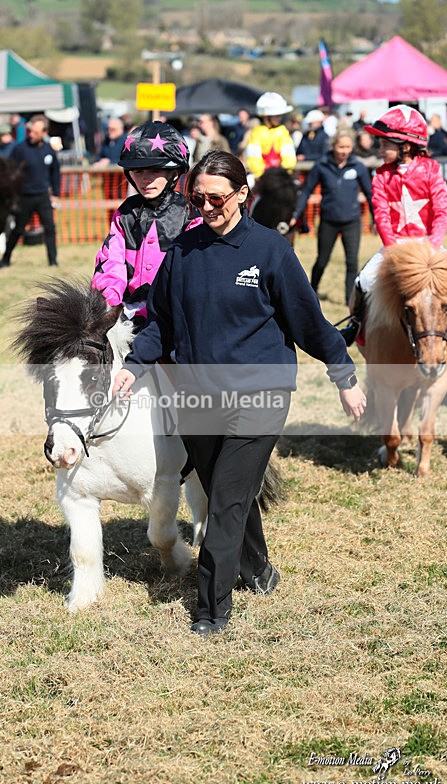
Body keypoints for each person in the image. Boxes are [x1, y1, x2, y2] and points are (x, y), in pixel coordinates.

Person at [111, 151, 366, 636]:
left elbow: (308, 322)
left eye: (217, 198)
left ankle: (211, 609)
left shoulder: (270, 251)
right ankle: (259, 569)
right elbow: (160, 322)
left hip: (259, 394)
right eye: (197, 198)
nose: (206, 207)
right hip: (196, 397)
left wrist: (344, 376)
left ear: (243, 195)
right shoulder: (182, 252)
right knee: (231, 493)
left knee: (225, 501)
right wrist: (135, 365)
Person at [340, 105, 447, 345]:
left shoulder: (431, 170)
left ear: (406, 146)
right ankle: (357, 325)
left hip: (428, 244)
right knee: (364, 280)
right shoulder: (380, 175)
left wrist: (432, 246)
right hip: (395, 246)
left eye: (384, 145)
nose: (379, 150)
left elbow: (442, 212)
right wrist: (392, 248)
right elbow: (381, 215)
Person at [91, 120, 195, 330]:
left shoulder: (190, 214)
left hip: (174, 315)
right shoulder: (125, 213)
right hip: (126, 315)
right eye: (138, 172)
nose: (145, 180)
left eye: (154, 171)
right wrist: (109, 305)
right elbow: (112, 262)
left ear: (174, 173)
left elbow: (192, 272)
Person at [290, 128, 374, 304]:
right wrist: (296, 214)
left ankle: (348, 300)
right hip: (329, 221)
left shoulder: (358, 167)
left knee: (352, 262)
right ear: (333, 146)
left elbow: (369, 194)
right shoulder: (322, 165)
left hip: (351, 221)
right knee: (322, 260)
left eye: (348, 147)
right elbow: (306, 192)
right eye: (341, 146)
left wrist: (377, 219)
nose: (344, 151)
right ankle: (311, 292)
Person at [0, 114, 60, 269]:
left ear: (44, 132)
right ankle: (5, 259)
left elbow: (55, 172)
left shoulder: (49, 150)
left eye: (36, 132)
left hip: (43, 196)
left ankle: (53, 261)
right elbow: (10, 171)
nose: (32, 134)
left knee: (50, 228)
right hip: (25, 197)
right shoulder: (20, 149)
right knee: (18, 229)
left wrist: (56, 194)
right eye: (31, 131)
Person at [245, 92, 296, 181]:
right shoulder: (257, 132)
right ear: (266, 117)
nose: (279, 118)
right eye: (276, 116)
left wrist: (283, 173)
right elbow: (254, 158)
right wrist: (262, 175)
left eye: (280, 115)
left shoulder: (283, 131)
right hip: (262, 178)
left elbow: (289, 157)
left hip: (281, 176)